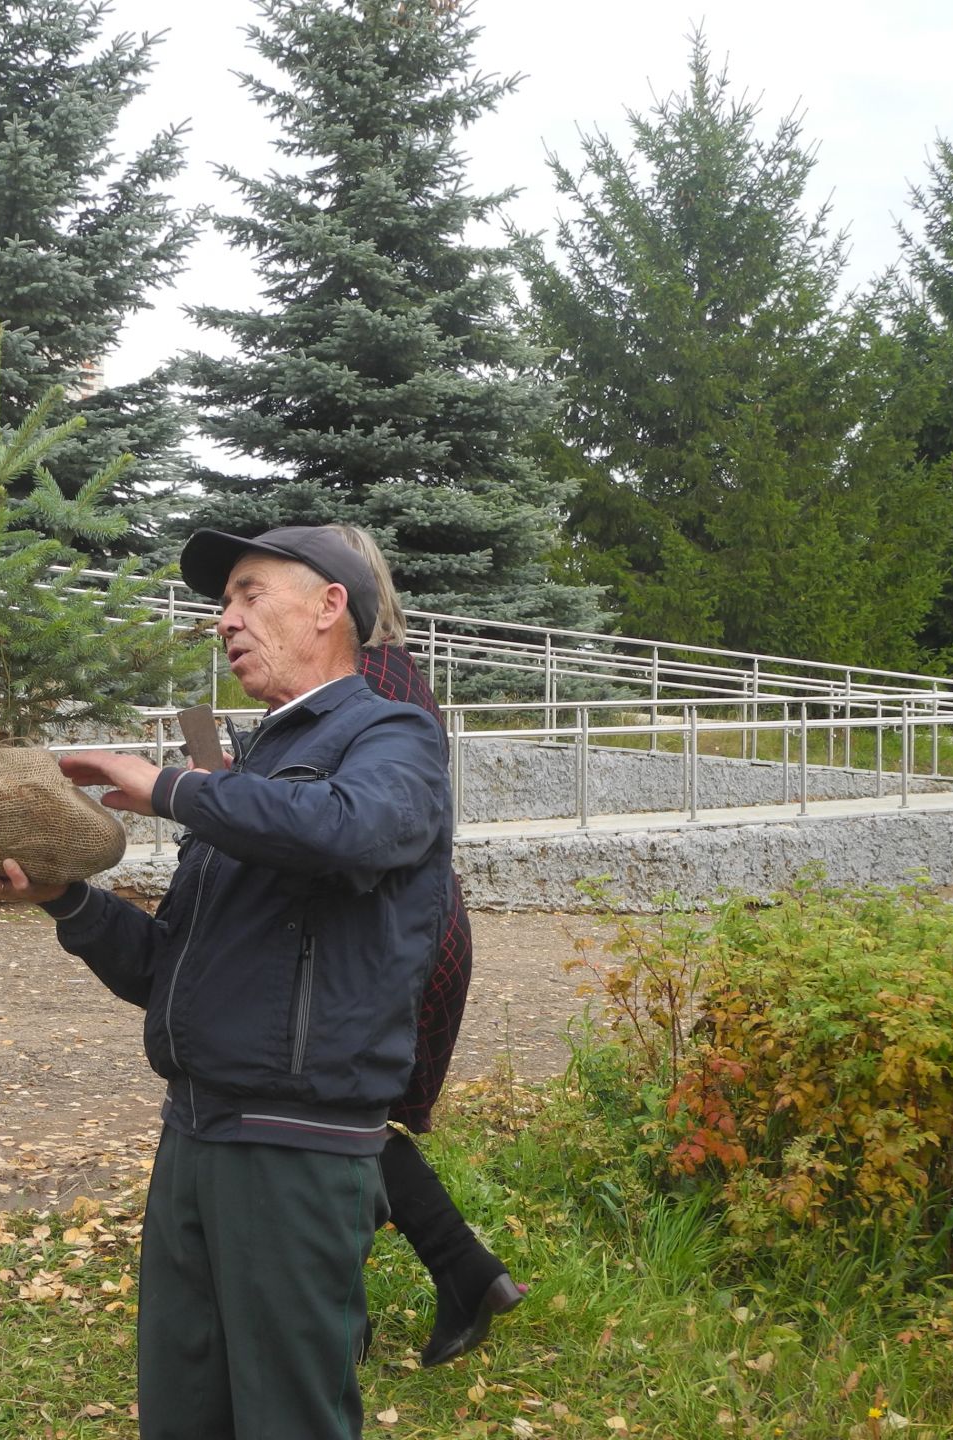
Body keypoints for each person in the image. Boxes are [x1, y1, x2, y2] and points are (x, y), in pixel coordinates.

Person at [0, 524, 451, 1440]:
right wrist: (64, 898)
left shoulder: (391, 734)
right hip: (194, 1137)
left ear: (331, 605)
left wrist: (170, 787)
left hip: (297, 1151)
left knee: (289, 1420)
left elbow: (358, 829)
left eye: (251, 593)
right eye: (224, 602)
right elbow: (166, 971)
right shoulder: (252, 770)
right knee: (183, 1412)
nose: (226, 619)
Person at [331, 524, 527, 1368]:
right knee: (347, 1117)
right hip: (419, 925)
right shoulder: (393, 674)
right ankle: (453, 1280)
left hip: (396, 935)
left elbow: (351, 826)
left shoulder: (364, 686)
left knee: (333, 1115)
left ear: (338, 596)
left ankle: (442, 1281)